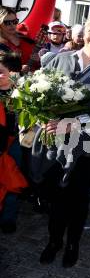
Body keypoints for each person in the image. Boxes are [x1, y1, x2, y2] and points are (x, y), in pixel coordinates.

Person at [35, 12, 90, 268]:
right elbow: (39, 96)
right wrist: (42, 117)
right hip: (55, 145)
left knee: (79, 199)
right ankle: (54, 241)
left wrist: (78, 123)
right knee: (55, 197)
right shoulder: (58, 60)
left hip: (87, 147)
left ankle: (72, 243)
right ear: (84, 31)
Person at [0, 52, 27, 234]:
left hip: (14, 143)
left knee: (12, 179)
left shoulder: (22, 92)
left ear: (13, 72)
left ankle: (8, 217)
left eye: (1, 71)